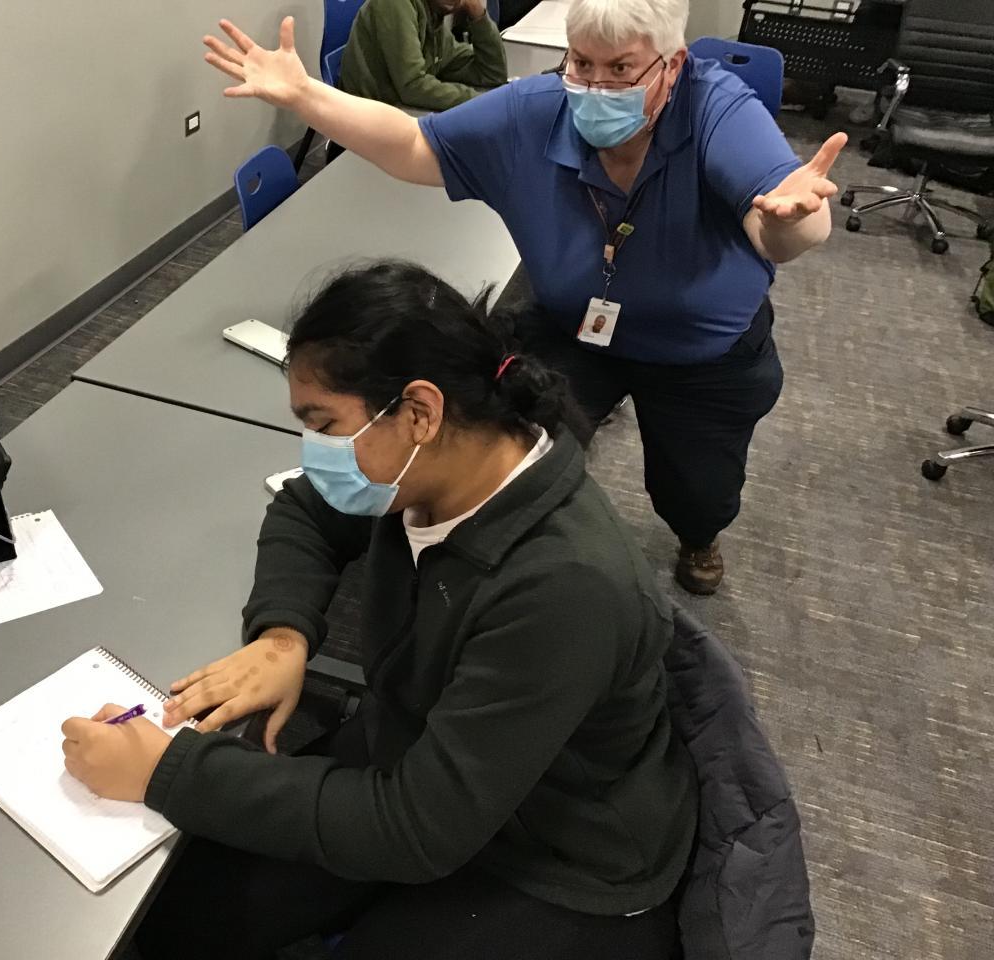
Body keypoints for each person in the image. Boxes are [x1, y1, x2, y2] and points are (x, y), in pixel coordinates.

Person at [61, 262, 697, 960]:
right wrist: (283, 637)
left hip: (555, 852)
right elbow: (304, 508)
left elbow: (415, 830)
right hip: (420, 749)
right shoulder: (435, 469)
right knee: (177, 921)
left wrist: (167, 772)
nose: (315, 451)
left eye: (324, 424)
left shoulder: (563, 589)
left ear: (419, 412)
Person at [200, 0, 849, 595]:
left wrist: (794, 220)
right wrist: (308, 96)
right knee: (508, 448)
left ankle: (699, 537)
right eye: (582, 63)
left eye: (621, 69)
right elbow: (415, 144)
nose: (595, 86)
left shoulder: (717, 110)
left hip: (701, 353)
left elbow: (781, 225)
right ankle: (496, 558)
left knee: (696, 490)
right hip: (575, 331)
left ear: (672, 65)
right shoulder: (535, 110)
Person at [340, 0, 508, 111]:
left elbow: (492, 74)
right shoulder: (395, 4)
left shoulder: (433, 13)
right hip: (364, 129)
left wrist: (478, 14)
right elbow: (412, 86)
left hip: (403, 113)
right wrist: (481, 103)